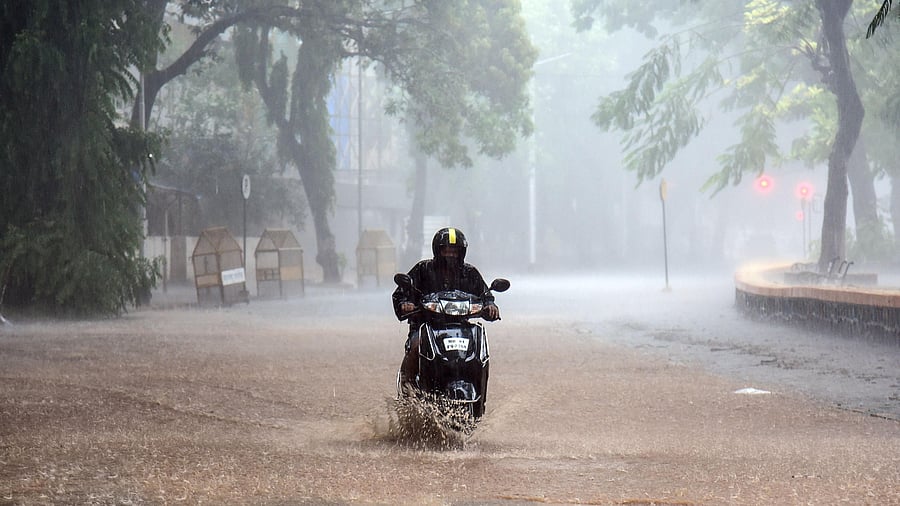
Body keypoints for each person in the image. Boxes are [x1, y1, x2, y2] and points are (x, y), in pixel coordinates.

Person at [392, 227, 500, 387]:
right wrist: (404, 304)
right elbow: (401, 292)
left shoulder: (469, 273)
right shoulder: (423, 269)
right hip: (426, 325)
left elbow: (485, 295)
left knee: (480, 348)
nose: (451, 254)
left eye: (454, 251)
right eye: (446, 250)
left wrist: (491, 305)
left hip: (462, 326)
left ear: (461, 252)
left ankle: (478, 386)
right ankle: (407, 385)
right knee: (416, 345)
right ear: (437, 251)